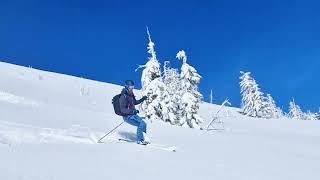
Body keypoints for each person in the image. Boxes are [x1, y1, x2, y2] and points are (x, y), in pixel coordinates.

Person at [119, 80, 149, 145]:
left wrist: (142, 99)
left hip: (133, 115)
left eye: (133, 87)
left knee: (144, 124)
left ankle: (143, 139)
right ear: (126, 87)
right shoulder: (123, 96)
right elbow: (122, 109)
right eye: (130, 87)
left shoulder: (131, 95)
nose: (132, 88)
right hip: (127, 116)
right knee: (141, 124)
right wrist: (132, 111)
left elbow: (134, 102)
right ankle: (140, 140)